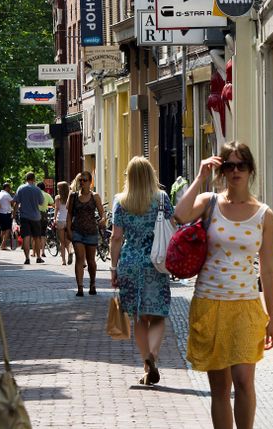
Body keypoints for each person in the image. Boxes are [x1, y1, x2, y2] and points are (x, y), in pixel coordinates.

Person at [173, 142, 273, 429]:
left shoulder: (263, 214)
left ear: (250, 169)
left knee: (244, 383)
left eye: (241, 165)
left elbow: (268, 270)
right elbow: (179, 215)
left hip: (245, 305)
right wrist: (200, 176)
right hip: (210, 302)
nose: (235, 171)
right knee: (220, 389)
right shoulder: (209, 202)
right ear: (222, 171)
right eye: (228, 166)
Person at [109, 157, 174, 386]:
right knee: (157, 314)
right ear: (151, 175)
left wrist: (113, 268)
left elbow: (116, 237)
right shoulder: (162, 199)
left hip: (129, 262)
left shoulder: (121, 201)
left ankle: (147, 363)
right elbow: (171, 227)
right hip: (156, 263)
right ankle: (153, 358)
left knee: (138, 317)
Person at [64, 171, 106, 296]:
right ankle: (80, 287)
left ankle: (92, 283)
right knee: (79, 259)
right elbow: (69, 214)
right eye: (80, 180)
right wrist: (69, 230)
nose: (82, 182)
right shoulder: (74, 196)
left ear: (90, 182)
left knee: (91, 261)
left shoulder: (95, 196)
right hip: (77, 231)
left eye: (84, 180)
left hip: (91, 232)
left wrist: (103, 220)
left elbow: (102, 213)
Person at [14, 172, 45, 264]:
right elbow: (41, 202)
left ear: (26, 179)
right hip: (36, 217)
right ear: (34, 179)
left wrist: (13, 214)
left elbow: (16, 203)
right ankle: (38, 257)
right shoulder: (37, 189)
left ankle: (27, 258)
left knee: (26, 237)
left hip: (24, 216)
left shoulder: (20, 188)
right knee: (37, 237)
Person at [54, 181, 73, 265]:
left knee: (62, 242)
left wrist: (54, 219)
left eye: (58, 188)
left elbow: (56, 209)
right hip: (68, 220)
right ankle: (70, 252)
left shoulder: (58, 198)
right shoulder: (70, 197)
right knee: (68, 241)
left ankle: (63, 261)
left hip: (60, 220)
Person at [0, 182, 15, 251]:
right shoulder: (7, 194)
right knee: (8, 229)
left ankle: (2, 244)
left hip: (0, 213)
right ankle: (3, 245)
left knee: (3, 230)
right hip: (7, 213)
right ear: (6, 187)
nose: (10, 189)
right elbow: (13, 203)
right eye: (9, 187)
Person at [37, 182, 53, 258]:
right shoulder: (47, 195)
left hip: (36, 215)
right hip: (44, 215)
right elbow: (53, 204)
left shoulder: (35, 194)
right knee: (43, 234)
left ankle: (35, 252)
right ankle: (42, 251)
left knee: (36, 234)